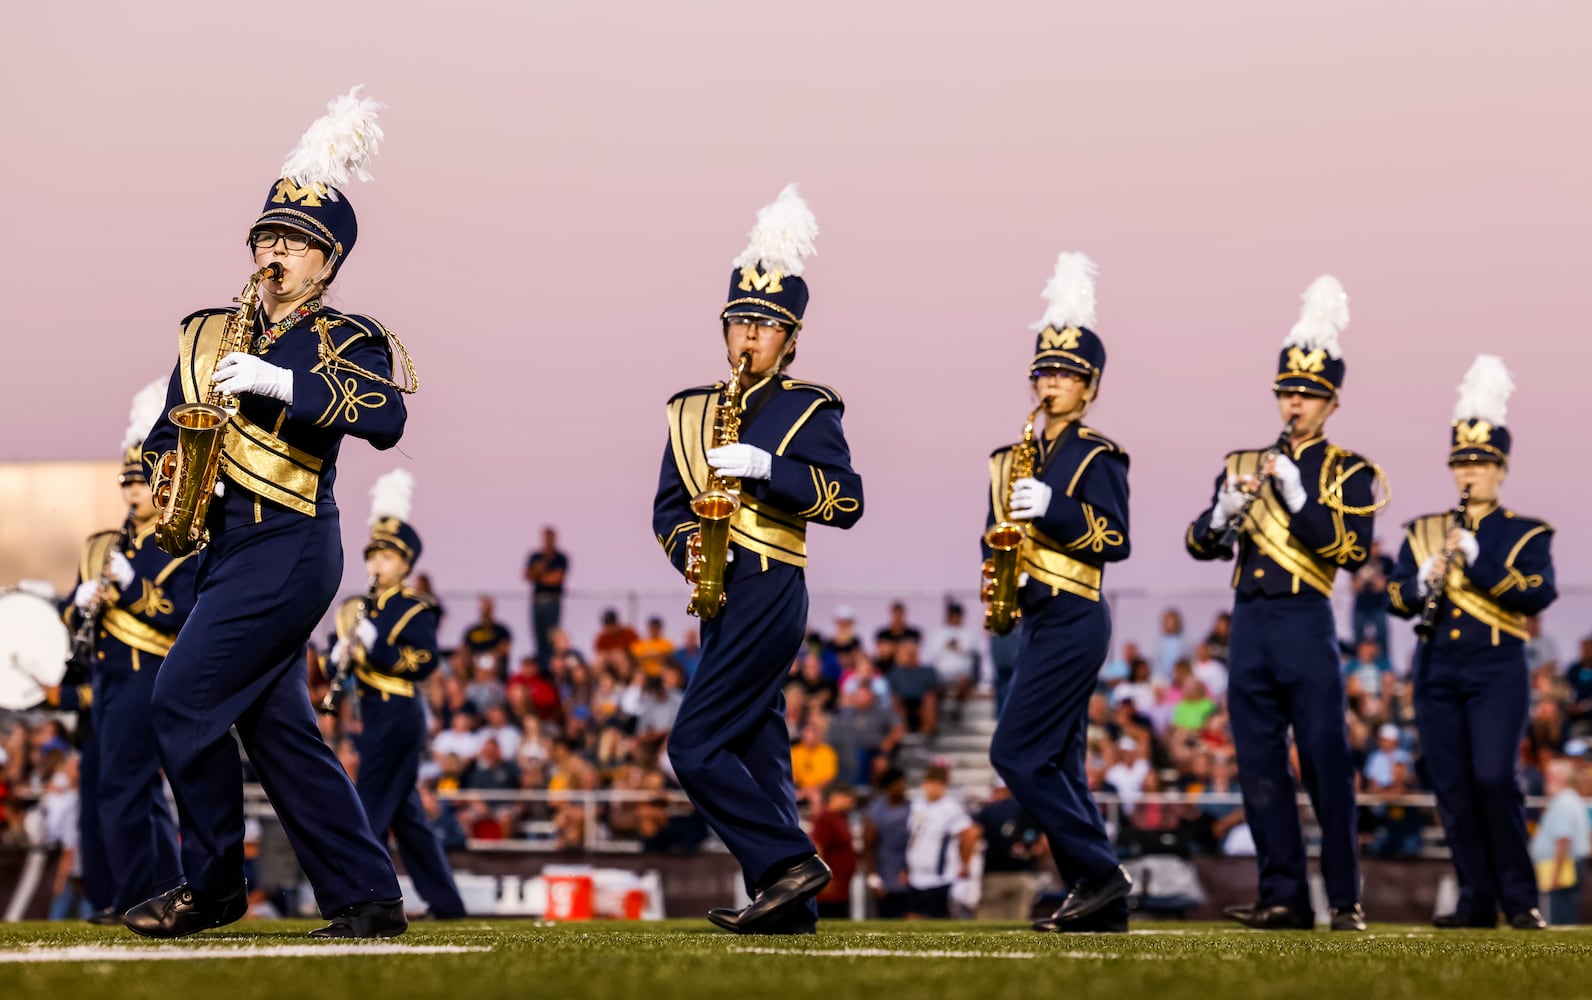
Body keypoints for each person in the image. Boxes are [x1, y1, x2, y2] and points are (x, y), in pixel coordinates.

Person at [126, 89, 413, 939]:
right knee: (280, 729)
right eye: (267, 237)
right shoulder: (208, 333)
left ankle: (212, 884)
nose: (275, 251)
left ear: (328, 264)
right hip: (222, 546)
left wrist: (281, 382)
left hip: (289, 543)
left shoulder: (347, 337)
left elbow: (389, 418)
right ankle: (366, 897)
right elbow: (159, 435)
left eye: (296, 242)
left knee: (179, 701)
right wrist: (168, 474)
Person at [652, 184, 864, 935]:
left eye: (765, 326)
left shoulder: (809, 408)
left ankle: (787, 860)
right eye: (739, 320)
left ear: (790, 339)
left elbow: (845, 500)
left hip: (772, 583)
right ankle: (791, 907)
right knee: (756, 748)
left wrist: (768, 469)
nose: (748, 336)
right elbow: (667, 507)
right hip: (717, 588)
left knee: (694, 745)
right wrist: (692, 550)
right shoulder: (688, 410)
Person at [1185, 275, 1386, 932]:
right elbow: (1199, 544)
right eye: (1287, 392)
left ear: (1330, 402)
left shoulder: (1348, 472)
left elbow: (1353, 552)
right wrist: (1220, 515)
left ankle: (1347, 898)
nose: (1294, 402)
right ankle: (1283, 897)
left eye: (1307, 393)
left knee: (1325, 757)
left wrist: (1301, 503)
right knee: (1259, 763)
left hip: (1305, 616)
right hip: (1250, 621)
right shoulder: (1243, 461)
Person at [982, 252, 1133, 934]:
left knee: (1013, 753)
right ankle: (1098, 899)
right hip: (1033, 619)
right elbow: (994, 535)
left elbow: (1114, 537)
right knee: (1059, 761)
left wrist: (1053, 507)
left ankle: (1099, 871)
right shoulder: (1009, 458)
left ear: (1089, 386)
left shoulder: (1099, 455)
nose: (1052, 383)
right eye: (1044, 371)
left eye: (1067, 374)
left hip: (1076, 611)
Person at [1388, 355, 1557, 930]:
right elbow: (1393, 598)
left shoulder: (1525, 533)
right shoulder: (1423, 530)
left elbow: (1539, 594)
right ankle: (1474, 899)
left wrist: (1481, 565)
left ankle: (1520, 898)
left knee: (1493, 778)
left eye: (1481, 462)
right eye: (1462, 461)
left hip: (1496, 666)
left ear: (1501, 468)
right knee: (1453, 787)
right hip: (1436, 665)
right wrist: (1419, 580)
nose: (1470, 472)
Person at [52, 380, 195, 923]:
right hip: (105, 678)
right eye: (127, 482)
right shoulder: (101, 546)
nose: (133, 491)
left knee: (123, 788)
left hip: (148, 674)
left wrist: (133, 588)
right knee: (130, 793)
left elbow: (181, 616)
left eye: (143, 481)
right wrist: (79, 601)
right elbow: (71, 616)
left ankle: (133, 895)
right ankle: (160, 886)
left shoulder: (180, 546)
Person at [326, 470, 467, 920]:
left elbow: (423, 660)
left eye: (386, 556)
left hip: (399, 711)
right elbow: (347, 670)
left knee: (369, 803)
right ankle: (447, 903)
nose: (376, 564)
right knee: (408, 818)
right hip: (374, 710)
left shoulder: (415, 607)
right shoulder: (359, 608)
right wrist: (339, 657)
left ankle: (364, 891)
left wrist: (377, 645)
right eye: (373, 555)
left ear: (405, 563)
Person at [903, 765, 980, 919]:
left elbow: (969, 833)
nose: (931, 788)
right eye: (929, 783)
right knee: (912, 918)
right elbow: (912, 839)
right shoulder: (916, 806)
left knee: (937, 920)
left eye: (936, 784)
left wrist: (965, 863)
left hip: (939, 876)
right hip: (916, 873)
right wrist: (906, 866)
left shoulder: (950, 808)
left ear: (943, 785)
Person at [972, 776, 1046, 920]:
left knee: (988, 928)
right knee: (1017, 926)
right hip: (1023, 876)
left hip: (993, 876)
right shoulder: (1029, 809)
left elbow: (973, 836)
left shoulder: (989, 811)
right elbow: (1041, 845)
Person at [1532, 760, 1589, 925]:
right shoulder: (1571, 800)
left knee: (1558, 918)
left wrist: (1556, 875)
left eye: (1549, 775)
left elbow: (1563, 840)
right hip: (1567, 865)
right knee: (1564, 912)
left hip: (1562, 867)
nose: (1545, 780)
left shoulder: (1564, 802)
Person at [523, 527, 568, 668]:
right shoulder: (535, 556)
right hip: (537, 602)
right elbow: (527, 576)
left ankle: (551, 667)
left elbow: (556, 578)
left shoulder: (561, 557)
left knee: (552, 638)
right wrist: (539, 573)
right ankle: (541, 667)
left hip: (553, 602)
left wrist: (539, 575)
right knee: (538, 639)